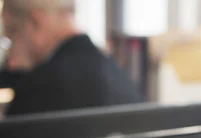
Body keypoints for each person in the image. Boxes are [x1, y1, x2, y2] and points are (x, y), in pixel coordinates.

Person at [1, 0, 142, 116]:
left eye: (12, 35)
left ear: (36, 23)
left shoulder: (38, 89)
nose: (11, 59)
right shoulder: (118, 77)